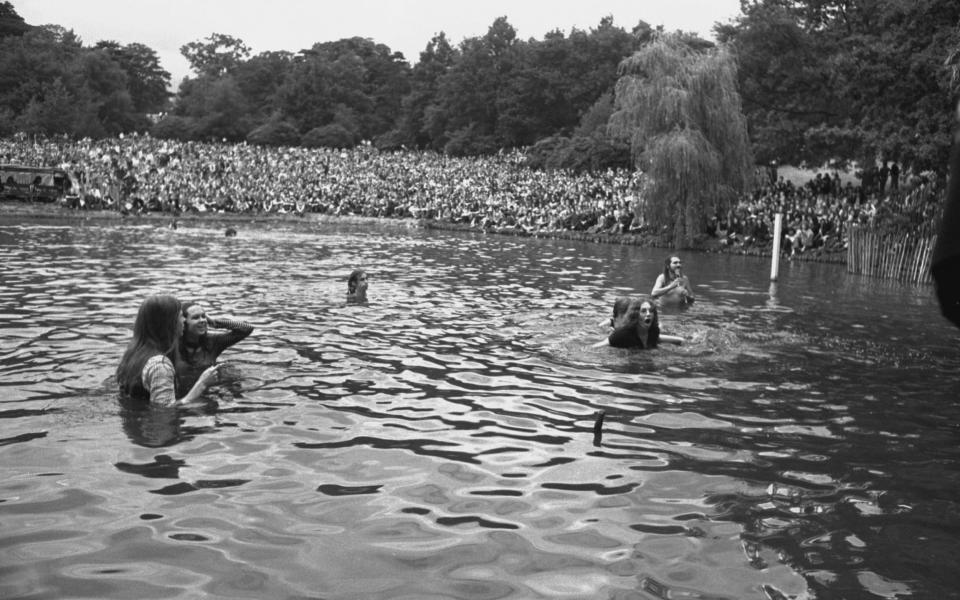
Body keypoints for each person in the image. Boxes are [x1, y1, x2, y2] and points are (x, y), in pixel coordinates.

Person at [116, 295, 220, 407]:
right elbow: (164, 413)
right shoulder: (161, 365)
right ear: (168, 323)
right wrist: (202, 384)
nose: (184, 320)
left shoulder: (135, 352)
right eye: (181, 316)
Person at [176, 301, 254, 391]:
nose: (202, 320)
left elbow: (247, 329)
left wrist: (215, 323)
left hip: (209, 388)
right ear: (184, 322)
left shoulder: (213, 342)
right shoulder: (173, 344)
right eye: (196, 317)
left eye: (203, 316)